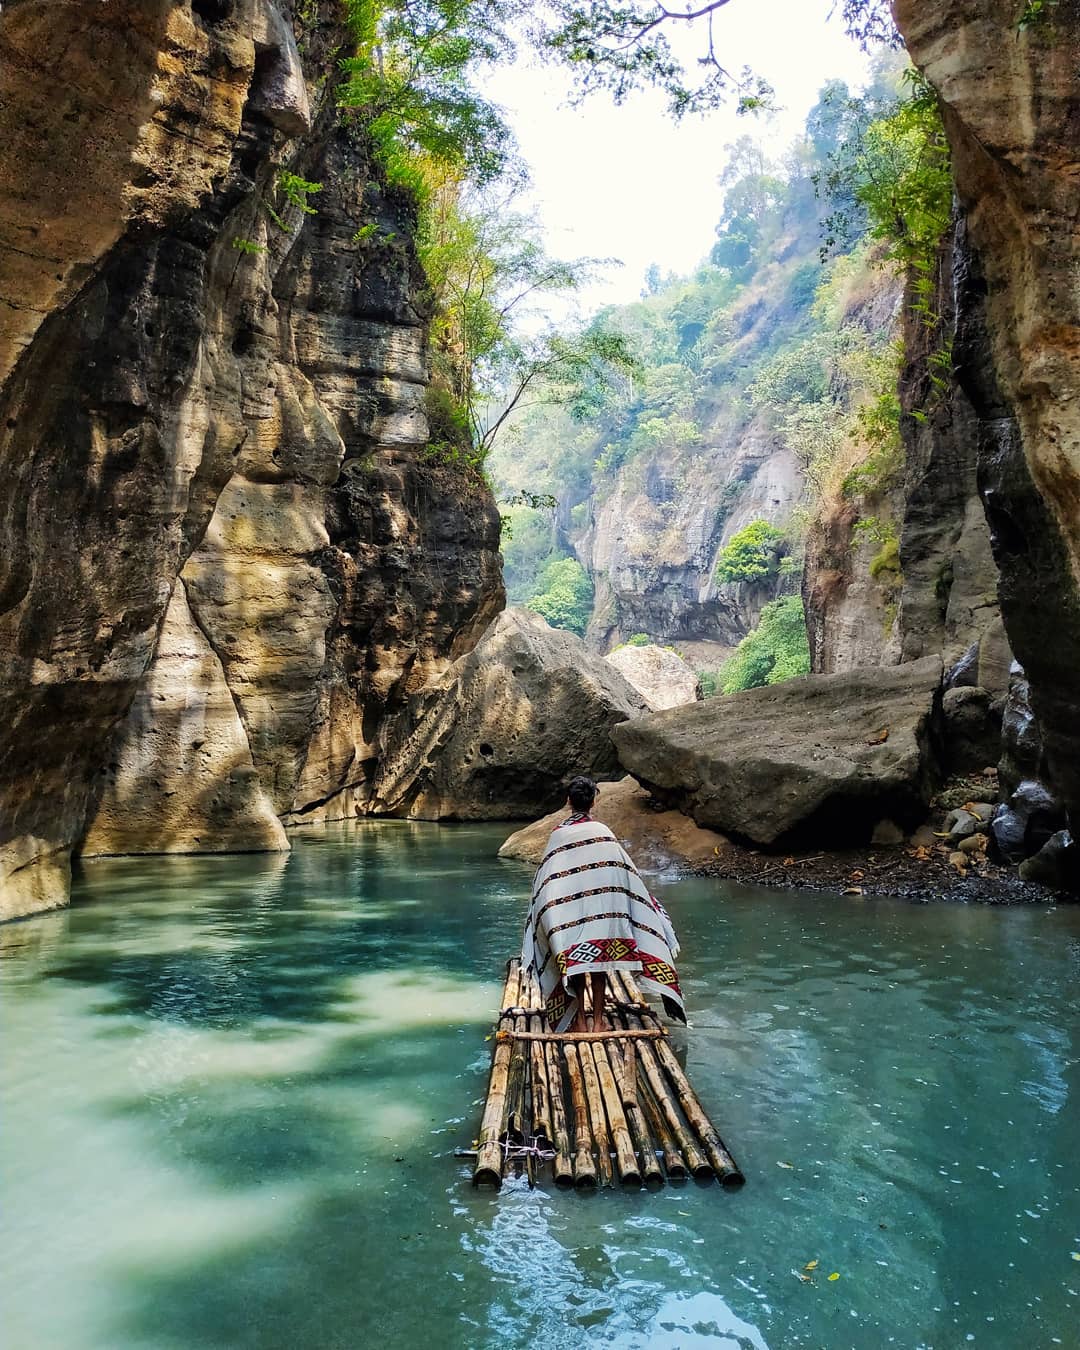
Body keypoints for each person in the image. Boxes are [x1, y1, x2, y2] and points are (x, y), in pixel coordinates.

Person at [522, 775, 686, 1033]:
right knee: (598, 967)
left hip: (569, 915)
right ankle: (598, 1022)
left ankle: (578, 1022)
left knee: (575, 966)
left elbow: (546, 880)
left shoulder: (558, 836)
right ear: (594, 802)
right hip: (601, 914)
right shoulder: (603, 833)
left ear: (568, 802)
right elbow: (624, 874)